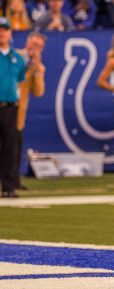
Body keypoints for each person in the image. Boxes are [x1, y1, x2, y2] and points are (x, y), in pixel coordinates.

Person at [14, 32, 46, 191]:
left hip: (19, 112)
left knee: (15, 146)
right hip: (5, 103)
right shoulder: (14, 56)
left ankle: (13, 180)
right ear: (27, 43)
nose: (35, 48)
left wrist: (36, 71)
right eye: (34, 45)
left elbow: (38, 92)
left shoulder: (39, 67)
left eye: (39, 46)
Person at [0, 18, 26, 198]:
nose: (2, 33)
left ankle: (8, 187)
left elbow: (20, 83)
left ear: (10, 33)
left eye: (5, 30)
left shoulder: (18, 59)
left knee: (10, 147)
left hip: (9, 107)